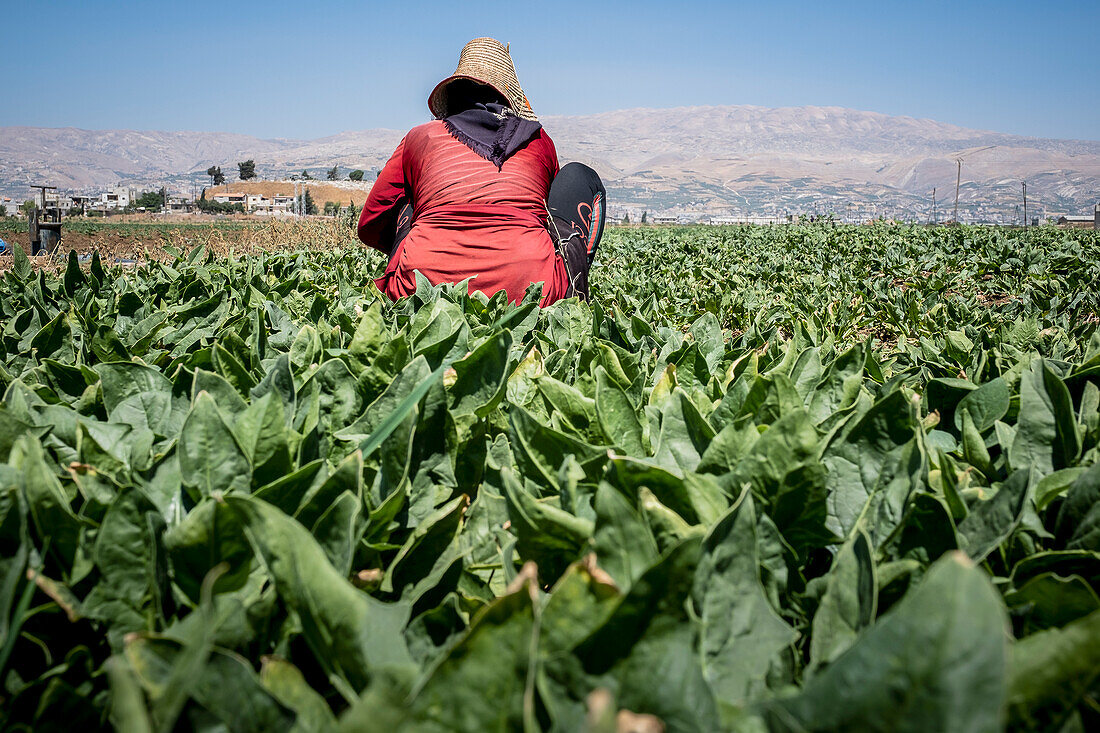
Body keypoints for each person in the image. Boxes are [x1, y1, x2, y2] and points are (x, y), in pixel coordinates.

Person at [357, 37, 605, 306]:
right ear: (508, 97)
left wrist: (417, 236)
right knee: (581, 175)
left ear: (452, 96)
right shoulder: (538, 141)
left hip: (420, 289)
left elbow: (370, 223)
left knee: (408, 197)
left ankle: (414, 272)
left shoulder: (420, 137)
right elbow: (546, 213)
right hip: (531, 290)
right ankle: (573, 299)